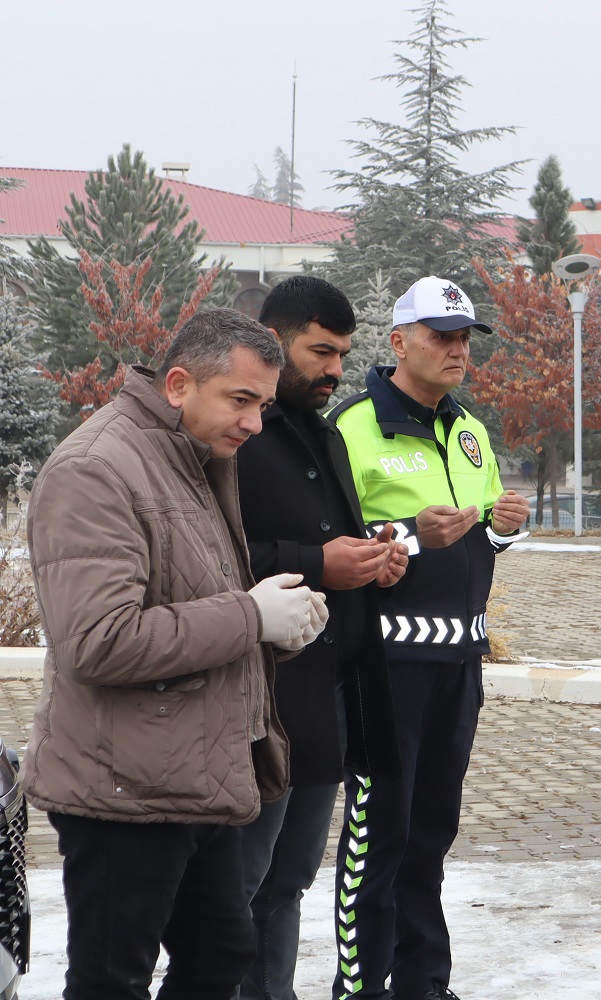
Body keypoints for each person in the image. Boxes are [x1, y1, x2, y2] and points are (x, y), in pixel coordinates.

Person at [22, 309, 328, 999]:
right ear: (180, 383)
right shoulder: (96, 469)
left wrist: (275, 632)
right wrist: (250, 615)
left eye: (264, 405)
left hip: (195, 776)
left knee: (223, 954)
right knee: (111, 980)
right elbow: (102, 642)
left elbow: (192, 605)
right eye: (240, 400)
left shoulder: (194, 456)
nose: (254, 423)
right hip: (120, 789)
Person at [328, 276, 530, 1000]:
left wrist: (507, 529)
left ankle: (422, 982)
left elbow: (482, 543)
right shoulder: (351, 428)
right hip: (386, 663)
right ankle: (359, 988)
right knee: (378, 836)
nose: (456, 349)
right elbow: (332, 549)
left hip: (458, 661)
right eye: (440, 335)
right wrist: (412, 537)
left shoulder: (470, 429)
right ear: (398, 341)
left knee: (431, 833)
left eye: (464, 336)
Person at [236, 276, 407, 1000]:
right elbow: (215, 558)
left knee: (289, 884)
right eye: (322, 351)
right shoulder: (235, 437)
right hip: (259, 704)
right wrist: (319, 564)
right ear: (274, 341)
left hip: (326, 702)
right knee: (238, 889)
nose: (337, 369)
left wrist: (376, 558)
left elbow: (328, 544)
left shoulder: (326, 431)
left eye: (342, 353)